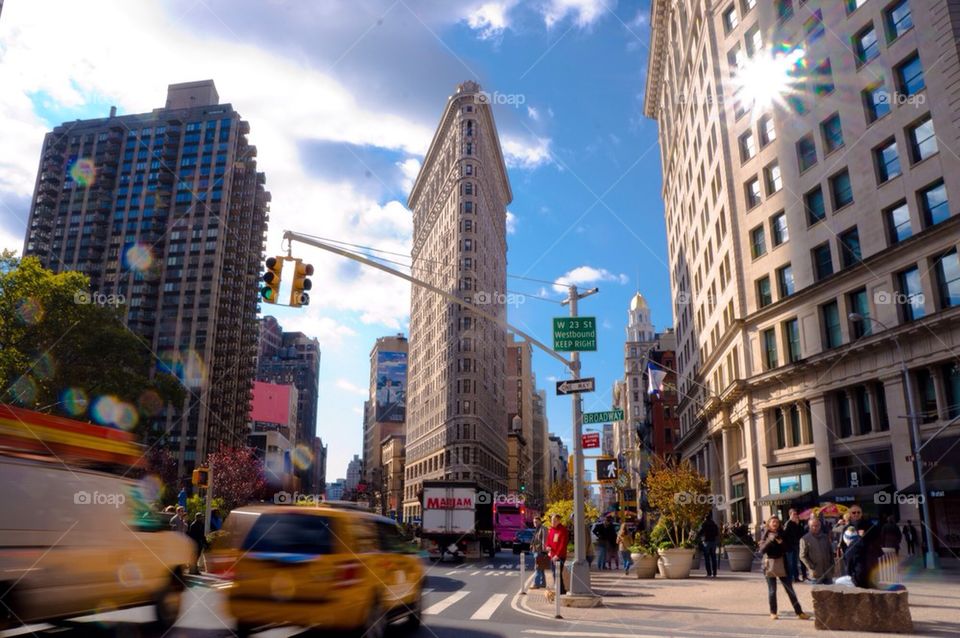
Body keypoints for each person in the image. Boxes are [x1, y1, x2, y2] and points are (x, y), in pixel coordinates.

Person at [758, 516, 810, 621]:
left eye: (777, 522)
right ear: (769, 523)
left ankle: (799, 612)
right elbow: (762, 551)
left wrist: (781, 542)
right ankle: (773, 612)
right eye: (773, 522)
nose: (775, 523)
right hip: (769, 565)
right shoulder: (765, 534)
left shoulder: (783, 533)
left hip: (782, 564)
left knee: (790, 590)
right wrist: (770, 540)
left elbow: (787, 549)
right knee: (772, 591)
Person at [845, 519, 884, 589]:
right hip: (873, 576)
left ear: (861, 531)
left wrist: (849, 573)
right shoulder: (874, 544)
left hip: (859, 578)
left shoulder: (856, 543)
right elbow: (880, 554)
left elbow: (848, 558)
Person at [799, 517, 834, 584]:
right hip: (816, 572)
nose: (815, 528)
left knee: (830, 592)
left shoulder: (825, 537)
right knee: (818, 593)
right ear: (809, 526)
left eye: (817, 525)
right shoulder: (805, 539)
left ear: (820, 526)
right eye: (813, 526)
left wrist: (832, 565)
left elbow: (830, 552)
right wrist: (811, 567)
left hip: (827, 571)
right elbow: (802, 556)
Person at [545, 514, 569, 595]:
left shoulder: (563, 530)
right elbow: (548, 540)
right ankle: (561, 590)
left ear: (559, 521)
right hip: (552, 555)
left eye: (554, 520)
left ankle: (561, 591)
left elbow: (563, 545)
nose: (553, 522)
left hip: (560, 556)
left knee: (557, 573)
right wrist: (548, 546)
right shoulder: (551, 529)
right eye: (552, 520)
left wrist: (557, 555)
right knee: (554, 573)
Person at [782, 508, 805, 583]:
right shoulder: (788, 523)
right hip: (789, 546)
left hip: (795, 545)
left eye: (796, 514)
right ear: (790, 515)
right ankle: (790, 578)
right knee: (791, 563)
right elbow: (784, 534)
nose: (795, 515)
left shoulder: (796, 523)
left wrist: (798, 524)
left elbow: (801, 533)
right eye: (793, 514)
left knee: (795, 563)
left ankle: (796, 577)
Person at [698, 513, 720, 577]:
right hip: (713, 541)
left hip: (706, 542)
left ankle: (709, 573)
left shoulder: (704, 524)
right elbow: (717, 533)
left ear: (705, 518)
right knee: (713, 557)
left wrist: (699, 537)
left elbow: (700, 532)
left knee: (707, 558)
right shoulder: (714, 525)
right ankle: (714, 572)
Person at [530, 516, 548, 589]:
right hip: (536, 551)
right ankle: (543, 583)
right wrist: (531, 545)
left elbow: (544, 539)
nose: (535, 523)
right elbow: (535, 539)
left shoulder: (543, 529)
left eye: (536, 522)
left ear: (540, 521)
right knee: (541, 568)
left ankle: (536, 584)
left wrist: (544, 550)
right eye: (534, 522)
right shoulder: (537, 529)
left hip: (540, 551)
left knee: (537, 568)